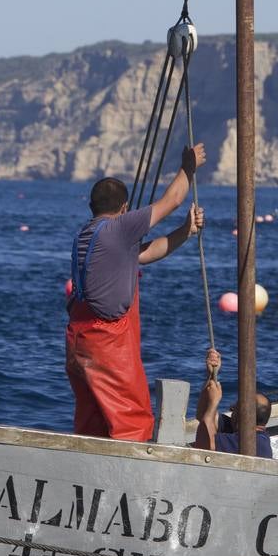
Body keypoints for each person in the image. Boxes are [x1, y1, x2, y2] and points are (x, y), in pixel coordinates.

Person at [66, 143, 207, 441]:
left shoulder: (87, 235)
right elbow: (173, 200)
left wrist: (185, 232)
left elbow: (144, 253)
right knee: (132, 419)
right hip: (107, 343)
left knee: (93, 422)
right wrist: (188, 167)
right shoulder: (118, 228)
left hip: (79, 340)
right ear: (124, 209)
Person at [193, 348, 273, 457]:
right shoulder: (239, 429)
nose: (231, 409)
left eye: (235, 408)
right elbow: (203, 415)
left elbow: (204, 445)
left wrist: (213, 404)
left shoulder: (255, 442)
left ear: (244, 416)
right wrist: (211, 376)